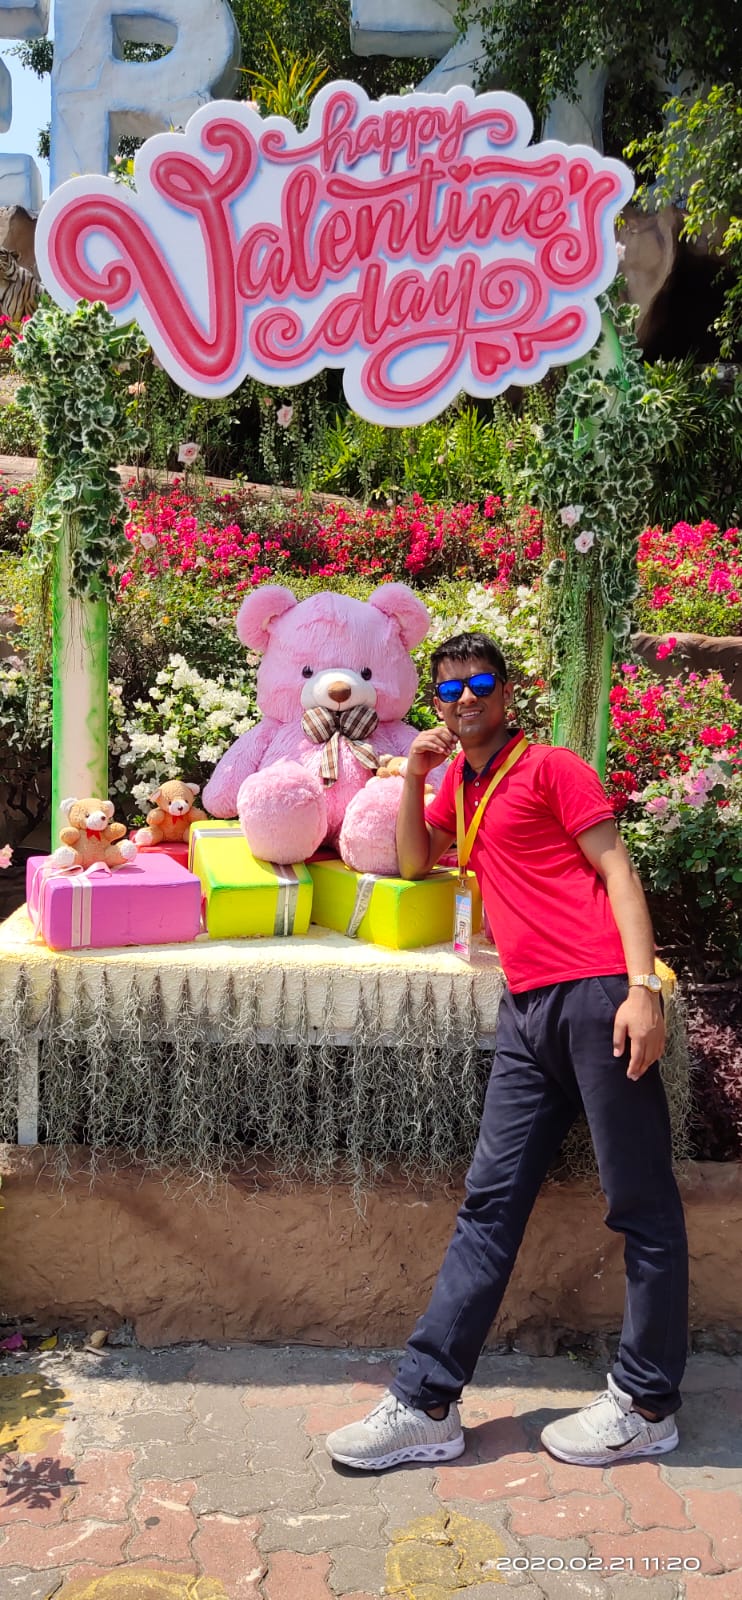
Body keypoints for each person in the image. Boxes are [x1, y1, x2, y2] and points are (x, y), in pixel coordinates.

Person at [326, 631, 688, 1473]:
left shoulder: (553, 768)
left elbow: (619, 872)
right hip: (525, 1010)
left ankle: (647, 1405)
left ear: (508, 692)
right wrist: (414, 775)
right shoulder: (458, 782)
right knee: (488, 1205)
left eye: (480, 684)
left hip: (597, 996)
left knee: (641, 1204)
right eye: (449, 690)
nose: (465, 700)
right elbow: (414, 861)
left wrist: (643, 989)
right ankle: (427, 1403)